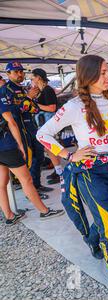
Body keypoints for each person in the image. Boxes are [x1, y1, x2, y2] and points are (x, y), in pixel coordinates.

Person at [37, 55, 108, 293]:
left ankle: (93, 240)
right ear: (89, 76)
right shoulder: (73, 106)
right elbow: (43, 134)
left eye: (107, 72)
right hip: (92, 172)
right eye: (103, 72)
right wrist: (69, 155)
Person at [0, 75, 64, 225]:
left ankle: (9, 216)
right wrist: (20, 145)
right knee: (26, 180)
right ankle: (44, 211)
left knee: (2, 183)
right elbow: (12, 123)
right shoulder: (2, 98)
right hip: (7, 146)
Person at [2, 62, 53, 194]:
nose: (20, 74)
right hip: (19, 129)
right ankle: (30, 191)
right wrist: (28, 98)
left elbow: (34, 108)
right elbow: (13, 112)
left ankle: (37, 185)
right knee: (28, 160)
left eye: (21, 71)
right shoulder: (5, 90)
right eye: (16, 72)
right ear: (8, 74)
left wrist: (29, 100)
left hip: (31, 126)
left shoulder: (24, 88)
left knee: (39, 156)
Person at [31, 68, 62, 185]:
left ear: (38, 77)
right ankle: (58, 170)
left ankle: (59, 173)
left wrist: (36, 105)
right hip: (45, 124)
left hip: (49, 125)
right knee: (50, 149)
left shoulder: (48, 90)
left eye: (33, 77)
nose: (32, 79)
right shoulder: (41, 90)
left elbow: (52, 108)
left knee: (50, 148)